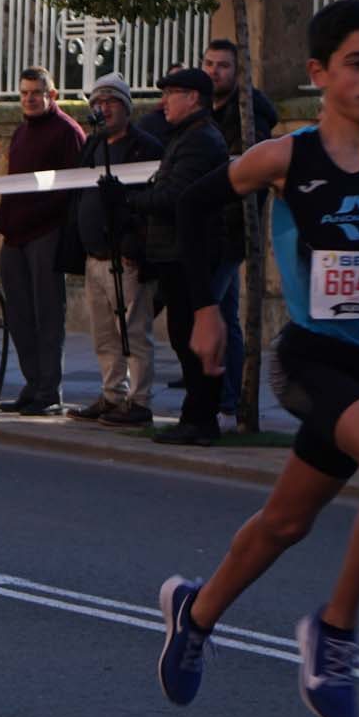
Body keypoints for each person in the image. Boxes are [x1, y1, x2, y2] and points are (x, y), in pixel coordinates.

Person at [156, 0, 359, 717]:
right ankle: (334, 630)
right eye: (357, 62)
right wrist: (203, 312)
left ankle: (197, 611)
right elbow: (193, 206)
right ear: (319, 73)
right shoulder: (286, 156)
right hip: (311, 359)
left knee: (285, 523)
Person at [117, 68, 231, 447]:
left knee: (194, 338)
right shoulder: (186, 136)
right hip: (176, 253)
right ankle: (195, 417)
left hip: (190, 255)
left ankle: (201, 420)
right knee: (184, 338)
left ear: (194, 98)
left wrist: (131, 200)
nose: (163, 102)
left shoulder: (200, 140)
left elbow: (177, 197)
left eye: (172, 93)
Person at [67, 74, 162, 427]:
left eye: (110, 102)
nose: (103, 109)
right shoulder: (93, 146)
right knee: (103, 333)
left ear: (126, 107)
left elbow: (150, 204)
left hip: (126, 258)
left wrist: (133, 245)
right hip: (95, 256)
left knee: (134, 332)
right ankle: (112, 395)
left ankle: (139, 400)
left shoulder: (146, 147)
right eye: (97, 103)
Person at [0, 66, 84, 415]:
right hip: (15, 236)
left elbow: (72, 188)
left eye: (37, 92)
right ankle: (32, 384)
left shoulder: (67, 132)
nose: (30, 99)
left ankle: (50, 390)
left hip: (46, 233)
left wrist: (40, 219)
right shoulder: (20, 132)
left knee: (47, 314)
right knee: (18, 315)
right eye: (25, 93)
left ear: (53, 95)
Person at [203, 37, 277, 420]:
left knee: (207, 310)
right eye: (210, 64)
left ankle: (219, 395)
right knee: (224, 315)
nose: (214, 71)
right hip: (208, 229)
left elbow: (248, 176)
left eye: (223, 65)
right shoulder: (204, 109)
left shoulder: (250, 114)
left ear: (237, 71)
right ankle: (228, 396)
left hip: (232, 230)